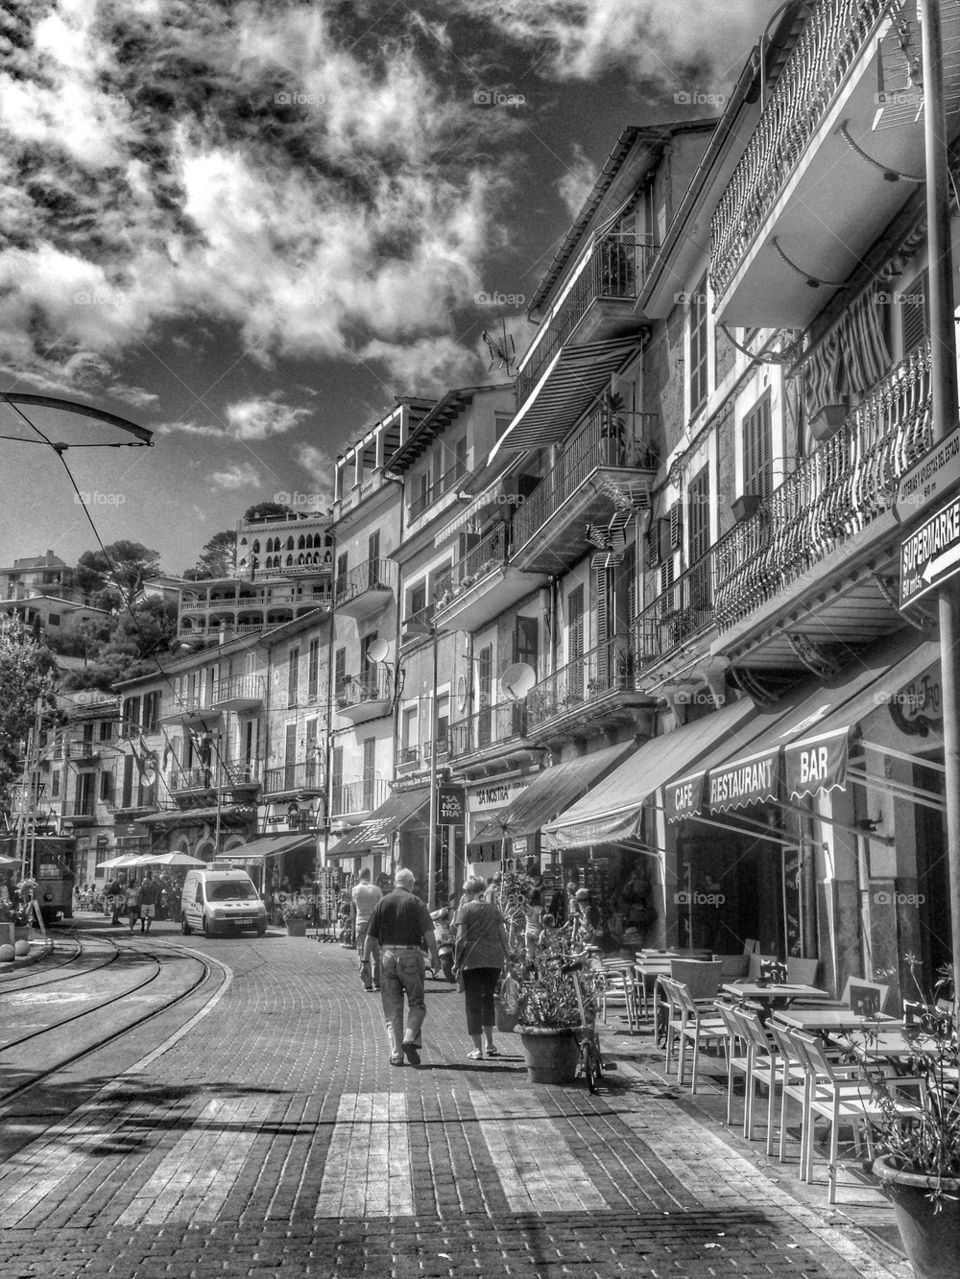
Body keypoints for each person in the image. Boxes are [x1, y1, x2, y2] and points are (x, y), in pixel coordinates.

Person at [362, 867, 439, 1067]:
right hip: (411, 955)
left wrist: (364, 962)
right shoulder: (416, 903)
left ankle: (396, 1055)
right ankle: (410, 1037)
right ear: (411, 884)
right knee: (417, 1003)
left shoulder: (382, 902)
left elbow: (370, 937)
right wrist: (436, 957)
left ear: (396, 883)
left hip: (386, 956)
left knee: (392, 1009)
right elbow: (430, 934)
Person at [454, 875, 510, 1060]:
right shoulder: (494, 909)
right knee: (487, 1000)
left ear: (470, 892)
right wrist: (508, 955)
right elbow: (503, 934)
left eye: (465, 891)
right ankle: (490, 1043)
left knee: (473, 1003)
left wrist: (456, 961)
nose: (464, 895)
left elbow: (460, 938)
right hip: (494, 960)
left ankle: (477, 1048)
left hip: (473, 960)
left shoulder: (465, 910)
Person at [351, 868, 382, 991]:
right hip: (375, 923)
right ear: (370, 876)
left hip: (361, 923)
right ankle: (378, 982)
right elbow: (381, 905)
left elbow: (354, 906)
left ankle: (367, 983)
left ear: (359, 876)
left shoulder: (355, 890)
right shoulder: (377, 889)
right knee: (377, 953)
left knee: (363, 953)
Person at [523, 885, 543, 966]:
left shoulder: (527, 908)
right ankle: (538, 974)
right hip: (537, 933)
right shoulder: (540, 909)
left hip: (528, 932)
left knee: (529, 954)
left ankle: (527, 971)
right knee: (538, 954)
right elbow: (541, 923)